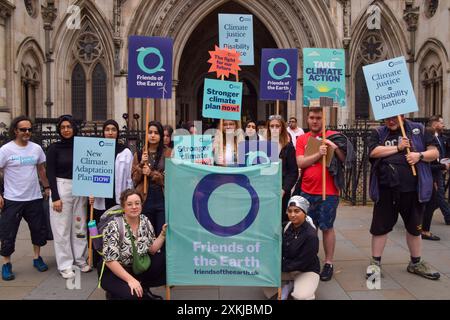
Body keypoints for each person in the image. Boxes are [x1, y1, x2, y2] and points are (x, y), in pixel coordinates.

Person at [367, 115, 440, 280]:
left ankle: (415, 263)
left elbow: (434, 153)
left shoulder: (419, 130)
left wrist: (418, 155)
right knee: (380, 228)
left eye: (394, 118)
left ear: (403, 115)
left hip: (413, 191)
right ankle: (375, 264)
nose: (390, 121)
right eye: (387, 118)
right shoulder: (379, 132)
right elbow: (373, 152)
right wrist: (398, 148)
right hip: (386, 190)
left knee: (415, 228)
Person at [295, 107, 346, 281]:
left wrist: (333, 146)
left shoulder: (334, 135)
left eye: (318, 117)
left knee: (327, 227)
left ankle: (328, 263)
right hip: (307, 192)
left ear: (323, 119)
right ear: (307, 119)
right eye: (312, 117)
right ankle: (310, 260)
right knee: (309, 229)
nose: (315, 121)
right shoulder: (302, 139)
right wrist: (319, 153)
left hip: (329, 192)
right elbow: (301, 162)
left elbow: (345, 158)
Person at [0, 116, 50, 281]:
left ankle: (37, 258)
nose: (27, 132)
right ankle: (6, 263)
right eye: (23, 129)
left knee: (38, 229)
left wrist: (47, 187)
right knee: (8, 232)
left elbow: (41, 170)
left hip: (34, 197)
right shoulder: (6, 150)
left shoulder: (36, 149)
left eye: (29, 129)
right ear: (15, 130)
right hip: (12, 198)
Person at [100, 189, 167, 300]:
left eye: (137, 203)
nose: (134, 207)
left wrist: (163, 234)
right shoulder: (114, 226)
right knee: (134, 296)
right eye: (129, 204)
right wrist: (130, 280)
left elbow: (152, 249)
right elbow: (110, 261)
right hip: (115, 271)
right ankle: (114, 293)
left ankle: (142, 286)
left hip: (136, 267)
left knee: (162, 259)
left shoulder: (145, 221)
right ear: (123, 207)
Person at [47, 115, 90, 278]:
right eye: (63, 127)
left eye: (69, 126)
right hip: (61, 187)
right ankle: (65, 264)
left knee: (79, 226)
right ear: (59, 129)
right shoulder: (53, 148)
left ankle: (80, 259)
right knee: (61, 228)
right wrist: (55, 197)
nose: (66, 130)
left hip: (80, 187)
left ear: (74, 128)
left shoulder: (82, 146)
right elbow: (50, 173)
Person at [89, 120, 134, 265]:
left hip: (117, 195)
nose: (110, 132)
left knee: (115, 226)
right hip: (100, 195)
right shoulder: (96, 149)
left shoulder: (125, 151)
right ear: (103, 132)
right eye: (107, 129)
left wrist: (127, 196)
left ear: (117, 132)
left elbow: (129, 176)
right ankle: (97, 256)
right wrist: (90, 191)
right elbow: (89, 172)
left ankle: (116, 256)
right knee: (98, 226)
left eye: (113, 129)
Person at [132, 121, 170, 288]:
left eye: (156, 132)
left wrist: (152, 174)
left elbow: (170, 177)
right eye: (150, 132)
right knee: (145, 236)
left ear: (161, 136)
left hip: (161, 198)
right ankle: (146, 274)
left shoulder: (168, 153)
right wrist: (141, 166)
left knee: (163, 235)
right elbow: (134, 179)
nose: (153, 135)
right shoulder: (140, 154)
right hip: (145, 199)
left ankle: (163, 273)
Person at [264, 195, 320, 300]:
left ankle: (300, 286)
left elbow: (303, 262)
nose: (292, 215)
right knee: (264, 283)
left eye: (297, 211)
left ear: (305, 213)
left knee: (301, 296)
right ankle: (288, 285)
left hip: (305, 270)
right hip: (288, 269)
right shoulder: (286, 226)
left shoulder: (311, 235)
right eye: (290, 211)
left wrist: (280, 267)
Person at [267, 115, 298, 220]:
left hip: (282, 190)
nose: (275, 129)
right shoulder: (263, 146)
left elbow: (293, 172)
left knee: (282, 219)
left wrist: (284, 189)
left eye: (277, 126)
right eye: (272, 126)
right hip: (267, 188)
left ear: (282, 128)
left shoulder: (288, 147)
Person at [427, 116, 450, 225]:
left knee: (437, 196)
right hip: (432, 170)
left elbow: (444, 153)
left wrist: (445, 165)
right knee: (439, 195)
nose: (443, 125)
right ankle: (448, 217)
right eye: (441, 123)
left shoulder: (442, 138)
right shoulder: (428, 137)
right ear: (435, 124)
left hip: (440, 169)